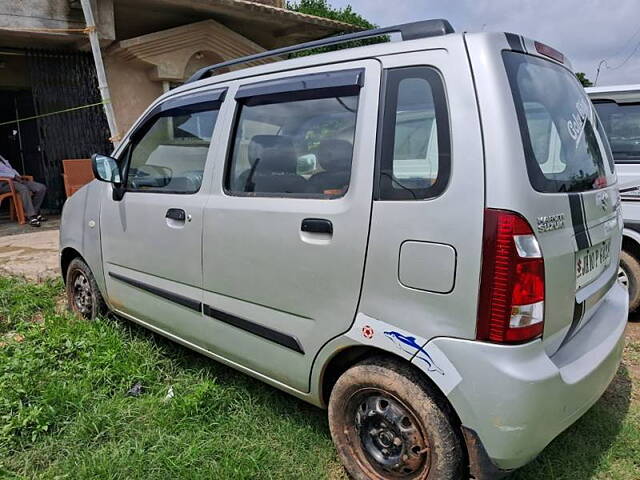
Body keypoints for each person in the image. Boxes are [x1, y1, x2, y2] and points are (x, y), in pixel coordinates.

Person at [0, 153, 47, 227]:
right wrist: (14, 176)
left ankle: (35, 211)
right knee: (23, 189)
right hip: (4, 183)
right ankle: (32, 217)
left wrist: (19, 177)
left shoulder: (1, 158)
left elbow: (11, 170)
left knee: (41, 188)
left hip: (17, 180)